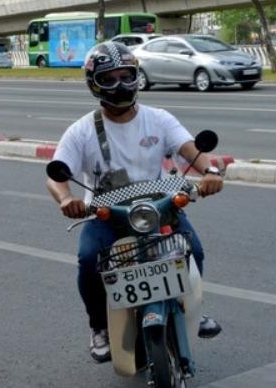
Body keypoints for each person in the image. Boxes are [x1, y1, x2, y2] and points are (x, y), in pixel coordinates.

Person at [46, 42, 223, 364]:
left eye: (126, 76)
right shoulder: (81, 131)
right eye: (109, 78)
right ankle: (99, 326)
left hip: (160, 208)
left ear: (137, 77)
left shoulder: (159, 119)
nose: (120, 85)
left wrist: (211, 172)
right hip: (106, 214)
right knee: (88, 261)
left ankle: (190, 307)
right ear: (94, 83)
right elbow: (56, 174)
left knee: (193, 251)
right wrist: (66, 198)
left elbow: (191, 150)